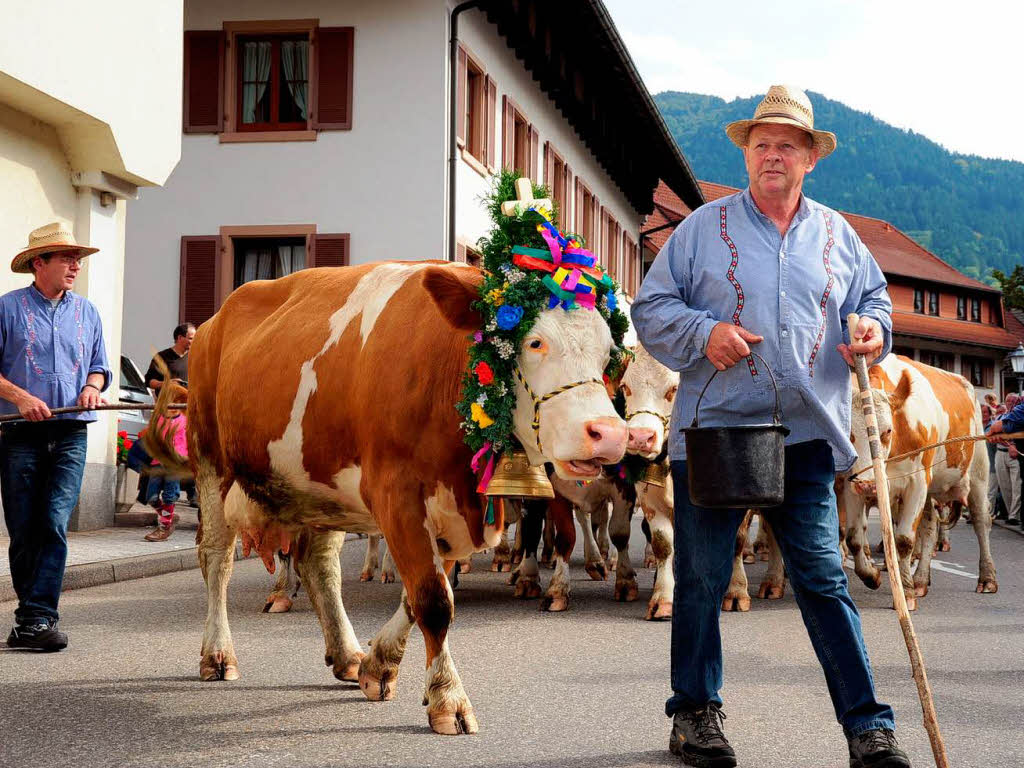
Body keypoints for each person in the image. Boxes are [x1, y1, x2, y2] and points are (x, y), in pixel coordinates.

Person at [633, 86, 910, 768]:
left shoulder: (838, 235)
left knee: (822, 579)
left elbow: (872, 298)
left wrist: (874, 329)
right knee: (699, 577)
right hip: (717, 431)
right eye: (761, 144)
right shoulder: (702, 228)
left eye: (787, 144)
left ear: (811, 158)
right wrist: (706, 332)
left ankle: (867, 729)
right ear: (747, 154)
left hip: (807, 437)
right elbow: (650, 307)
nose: (772, 155)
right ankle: (694, 715)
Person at [0, 222, 111, 652]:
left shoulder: (88, 312)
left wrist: (92, 388)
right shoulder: (7, 309)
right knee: (24, 527)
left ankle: (37, 616)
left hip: (71, 430)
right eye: (67, 258)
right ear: (38, 263)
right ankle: (31, 620)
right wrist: (19, 396)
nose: (75, 265)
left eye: (77, 259)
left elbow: (99, 365)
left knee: (53, 521)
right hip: (18, 432)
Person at [142, 392, 187, 542]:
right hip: (157, 462)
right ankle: (168, 516)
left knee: (169, 496)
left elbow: (185, 444)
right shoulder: (159, 419)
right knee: (151, 497)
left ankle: (164, 527)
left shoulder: (184, 421)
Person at [987, 393, 1022, 526]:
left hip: (1015, 454)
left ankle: (1014, 515)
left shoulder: (1017, 417)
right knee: (1005, 485)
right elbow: (994, 433)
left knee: (1016, 485)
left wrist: (1011, 444)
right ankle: (1010, 512)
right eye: (1008, 401)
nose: (1010, 403)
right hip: (1000, 453)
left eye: (1013, 401)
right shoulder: (1000, 417)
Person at [145, 322, 195, 390]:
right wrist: (167, 384)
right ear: (180, 337)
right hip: (168, 400)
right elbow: (149, 381)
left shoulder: (195, 357)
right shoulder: (161, 357)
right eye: (191, 338)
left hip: (188, 400)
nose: (194, 341)